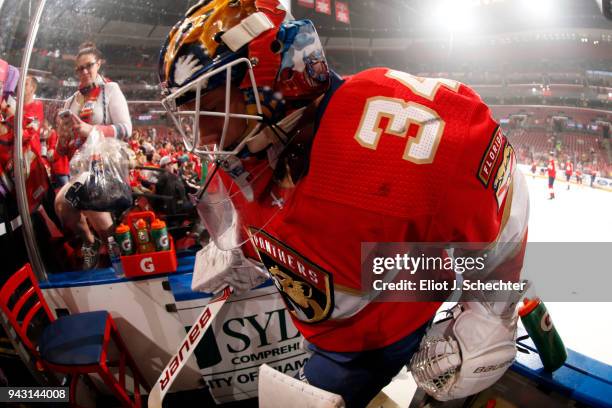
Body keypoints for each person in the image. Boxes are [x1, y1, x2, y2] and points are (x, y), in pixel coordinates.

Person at [158, 1, 529, 406]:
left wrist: (493, 308)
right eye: (190, 111)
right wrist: (248, 250)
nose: (203, 132)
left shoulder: (399, 138)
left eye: (210, 103)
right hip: (333, 320)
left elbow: (503, 182)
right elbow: (275, 212)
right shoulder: (251, 143)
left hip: (387, 319)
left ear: (270, 78)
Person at [54, 41, 132, 269]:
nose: (85, 71)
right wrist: (62, 139)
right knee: (62, 206)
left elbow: (126, 129)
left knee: (84, 196)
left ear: (99, 64)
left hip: (106, 166)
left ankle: (114, 250)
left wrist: (93, 130)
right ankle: (92, 242)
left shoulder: (110, 90)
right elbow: (62, 150)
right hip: (80, 168)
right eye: (80, 68)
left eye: (89, 65)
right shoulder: (70, 101)